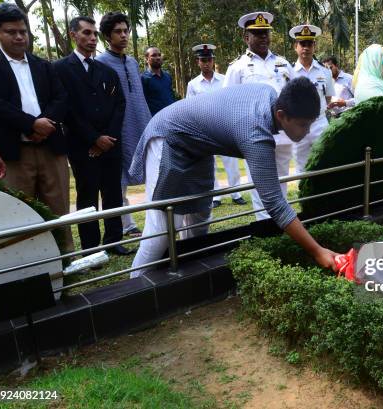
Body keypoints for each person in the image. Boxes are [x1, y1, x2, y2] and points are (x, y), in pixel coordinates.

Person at [128, 78, 339, 277]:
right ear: (282, 115)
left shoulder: (269, 95)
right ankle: (134, 284)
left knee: (200, 214)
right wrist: (317, 250)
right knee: (162, 228)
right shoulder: (255, 131)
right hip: (168, 137)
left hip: (198, 147)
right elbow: (274, 202)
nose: (307, 131)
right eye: (303, 125)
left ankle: (188, 273)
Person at [0, 3, 73, 252]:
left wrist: (44, 125)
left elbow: (61, 98)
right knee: (19, 213)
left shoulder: (43, 65)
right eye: (11, 31)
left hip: (51, 148)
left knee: (59, 210)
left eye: (22, 31)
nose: (19, 37)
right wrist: (30, 124)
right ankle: (27, 266)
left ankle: (66, 260)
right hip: (14, 153)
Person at [54, 16, 130, 255]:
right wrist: (93, 139)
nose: (92, 38)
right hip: (81, 146)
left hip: (111, 144)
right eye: (86, 33)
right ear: (73, 35)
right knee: (87, 196)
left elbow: (119, 105)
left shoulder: (106, 71)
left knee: (113, 194)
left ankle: (114, 240)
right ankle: (90, 248)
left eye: (94, 34)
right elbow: (66, 110)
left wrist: (108, 138)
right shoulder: (59, 69)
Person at [223, 11, 296, 221]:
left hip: (282, 135)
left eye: (266, 33)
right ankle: (263, 228)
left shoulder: (283, 63)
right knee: (260, 186)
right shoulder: (237, 67)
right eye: (257, 33)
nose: (263, 37)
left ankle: (282, 226)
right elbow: (229, 104)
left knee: (281, 184)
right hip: (255, 136)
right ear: (246, 38)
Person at [96, 12, 151, 239]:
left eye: (125, 31)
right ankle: (127, 225)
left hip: (141, 123)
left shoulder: (132, 61)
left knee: (152, 171)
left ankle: (157, 221)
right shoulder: (100, 63)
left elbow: (137, 94)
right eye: (118, 32)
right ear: (107, 36)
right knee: (118, 181)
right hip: (117, 129)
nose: (123, 35)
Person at [186, 44, 247, 208]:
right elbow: (190, 107)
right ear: (198, 62)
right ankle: (216, 196)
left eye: (209, 60)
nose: (206, 63)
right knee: (209, 164)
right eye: (202, 60)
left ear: (213, 61)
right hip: (204, 128)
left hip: (224, 126)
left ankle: (236, 193)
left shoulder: (225, 79)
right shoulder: (193, 84)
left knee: (231, 161)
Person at [290, 24, 334, 174]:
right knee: (301, 167)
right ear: (295, 46)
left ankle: (321, 196)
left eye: (309, 44)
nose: (306, 48)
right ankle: (304, 196)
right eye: (302, 44)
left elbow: (328, 98)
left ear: (314, 46)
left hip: (319, 124)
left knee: (323, 163)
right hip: (297, 125)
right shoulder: (288, 72)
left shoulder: (325, 71)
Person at [141, 46, 176, 116]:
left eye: (159, 55)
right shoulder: (143, 78)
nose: (158, 58)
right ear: (146, 59)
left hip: (171, 117)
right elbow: (142, 103)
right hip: (155, 119)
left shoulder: (167, 76)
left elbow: (171, 96)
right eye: (153, 55)